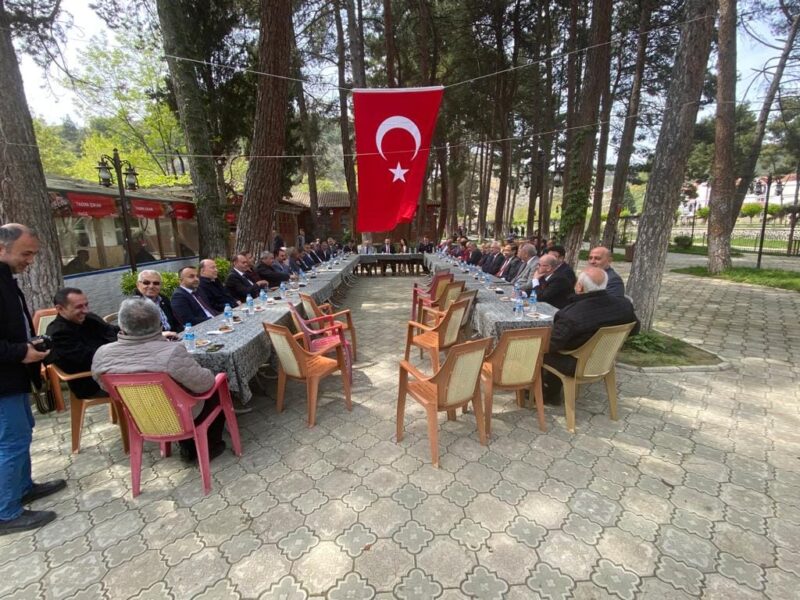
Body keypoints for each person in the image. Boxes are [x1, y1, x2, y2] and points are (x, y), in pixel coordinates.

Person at [92, 299, 227, 463]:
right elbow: (205, 385)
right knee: (216, 389)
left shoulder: (102, 354)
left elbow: (104, 385)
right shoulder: (172, 351)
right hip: (179, 417)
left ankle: (187, 446)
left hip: (139, 416)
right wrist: (211, 374)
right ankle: (206, 447)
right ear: (159, 324)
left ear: (121, 326)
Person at [0, 224, 63, 535]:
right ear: (2, 248)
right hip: (3, 381)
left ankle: (23, 487)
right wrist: (20, 351)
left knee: (22, 433)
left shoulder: (6, 279)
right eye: (26, 254)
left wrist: (31, 344)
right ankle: (6, 512)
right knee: (11, 442)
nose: (30, 261)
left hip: (14, 376)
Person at [541, 267, 640, 404]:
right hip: (605, 360)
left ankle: (546, 394)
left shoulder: (571, 314)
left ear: (580, 287)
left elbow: (551, 345)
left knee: (540, 351)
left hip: (577, 364)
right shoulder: (624, 305)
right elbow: (634, 330)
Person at [46, 288, 120, 399]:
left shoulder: (89, 318)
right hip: (92, 383)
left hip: (113, 370)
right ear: (60, 309)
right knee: (141, 386)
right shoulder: (58, 334)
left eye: (86, 305)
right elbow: (88, 359)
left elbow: (112, 331)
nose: (85, 310)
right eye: (79, 307)